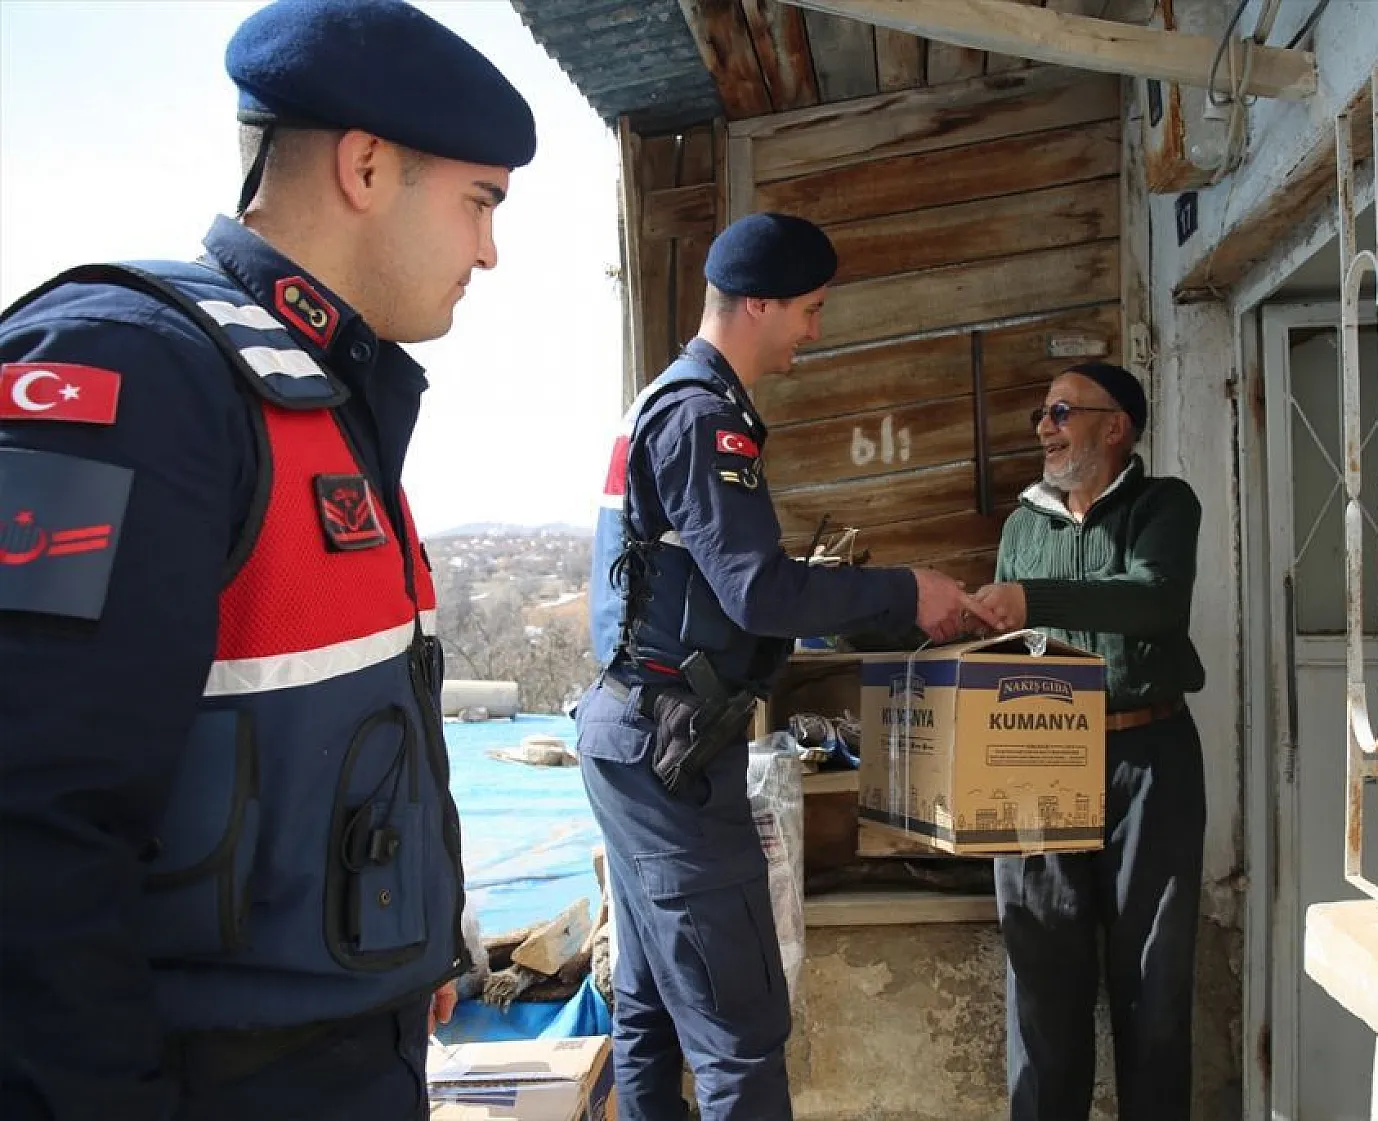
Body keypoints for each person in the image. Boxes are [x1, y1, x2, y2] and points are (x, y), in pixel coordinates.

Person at [0, 3, 535, 1119]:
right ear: (367, 164)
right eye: (479, 202)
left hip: (343, 1048)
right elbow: (29, 828)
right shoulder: (135, 374)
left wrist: (407, 943)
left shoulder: (322, 395)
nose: (490, 248)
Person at [581, 211, 1002, 1121]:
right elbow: (757, 595)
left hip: (633, 737)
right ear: (759, 304)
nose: (815, 330)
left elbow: (715, 584)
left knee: (650, 1005)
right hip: (671, 756)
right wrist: (906, 590)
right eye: (809, 309)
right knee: (742, 1036)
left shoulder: (667, 399)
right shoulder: (703, 418)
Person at [970, 362, 1208, 1121]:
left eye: (1063, 411)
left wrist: (1035, 598)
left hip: (1149, 761)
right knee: (1041, 978)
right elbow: (1009, 646)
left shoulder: (1162, 505)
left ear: (1116, 425)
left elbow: (1156, 599)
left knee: (1155, 980)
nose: (1045, 424)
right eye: (1042, 412)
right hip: (1038, 758)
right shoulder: (1021, 527)